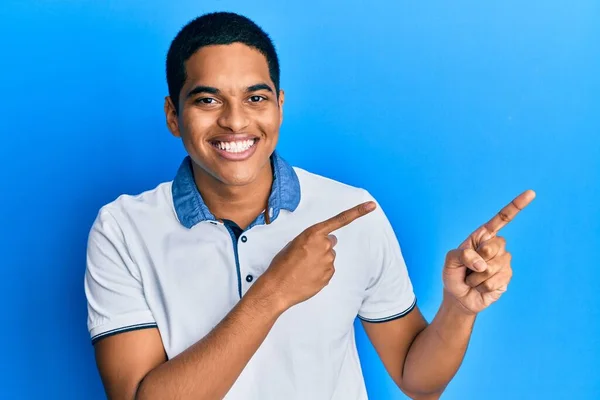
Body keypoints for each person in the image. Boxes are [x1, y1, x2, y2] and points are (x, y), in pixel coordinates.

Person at [84, 11, 535, 400]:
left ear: (279, 107)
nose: (236, 120)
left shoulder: (353, 212)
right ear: (172, 116)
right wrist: (274, 292)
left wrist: (459, 309)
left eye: (255, 98)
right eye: (207, 99)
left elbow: (418, 381)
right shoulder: (123, 228)